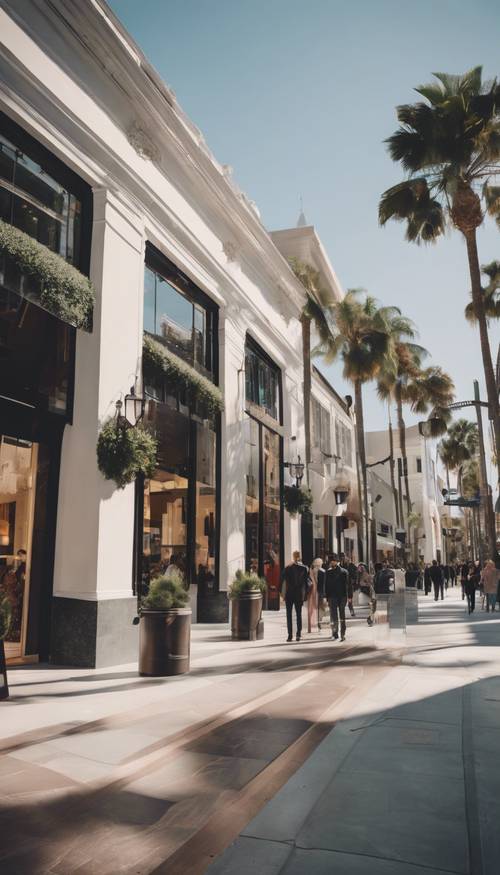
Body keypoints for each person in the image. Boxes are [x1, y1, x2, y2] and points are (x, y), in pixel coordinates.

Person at [281, 551, 308, 642]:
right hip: (298, 594)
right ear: (300, 556)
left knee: (289, 615)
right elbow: (306, 583)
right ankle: (298, 634)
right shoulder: (304, 568)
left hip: (289, 594)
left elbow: (282, 581)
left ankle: (289, 635)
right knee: (298, 614)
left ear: (293, 556)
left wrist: (282, 594)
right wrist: (305, 595)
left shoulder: (287, 568)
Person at [325, 554, 349, 641]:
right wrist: (327, 597)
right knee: (333, 615)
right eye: (331, 561)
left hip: (342, 596)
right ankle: (335, 632)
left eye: (333, 561)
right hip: (332, 597)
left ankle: (343, 633)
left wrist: (349, 597)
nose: (332, 562)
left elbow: (348, 585)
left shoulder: (344, 572)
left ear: (337, 561)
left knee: (342, 615)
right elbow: (326, 586)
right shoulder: (328, 572)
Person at [307, 557, 323, 633]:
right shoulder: (320, 571)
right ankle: (317, 625)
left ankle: (310, 627)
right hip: (315, 591)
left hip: (311, 591)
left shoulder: (310, 570)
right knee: (317, 609)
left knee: (311, 609)